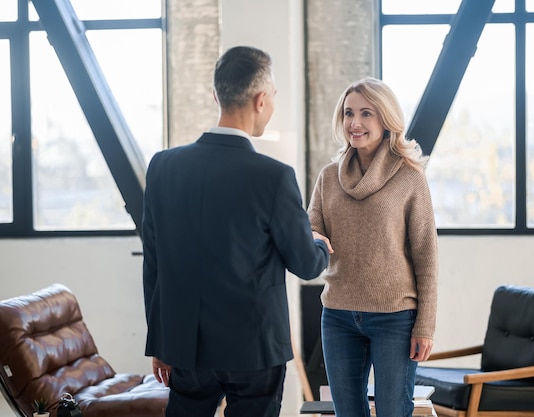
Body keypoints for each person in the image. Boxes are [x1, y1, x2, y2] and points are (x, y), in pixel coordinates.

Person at [142, 45, 332, 417]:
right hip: (254, 350)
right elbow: (307, 264)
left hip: (186, 347)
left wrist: (161, 341)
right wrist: (320, 243)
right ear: (261, 100)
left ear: (217, 95)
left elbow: (154, 263)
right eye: (273, 97)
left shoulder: (162, 167)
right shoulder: (273, 177)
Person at [307, 77, 438, 417]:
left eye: (366, 114)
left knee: (395, 410)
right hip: (337, 315)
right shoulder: (328, 177)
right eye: (349, 113)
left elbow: (426, 255)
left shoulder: (409, 177)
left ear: (385, 119)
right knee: (347, 412)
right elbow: (311, 231)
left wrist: (425, 324)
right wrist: (308, 237)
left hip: (395, 317)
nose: (355, 123)